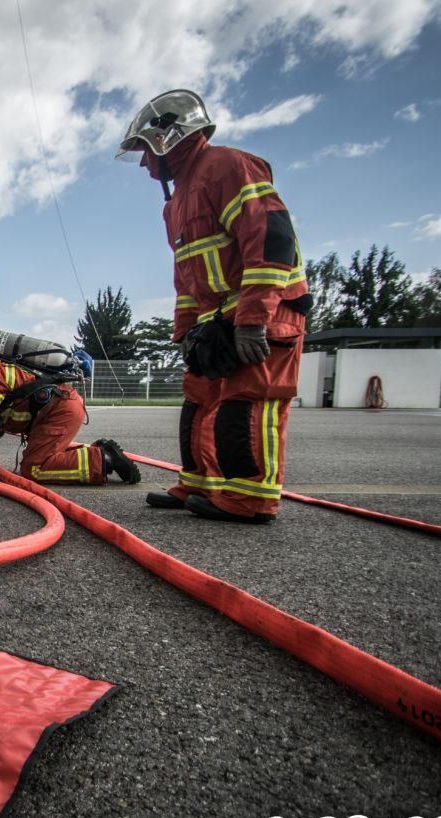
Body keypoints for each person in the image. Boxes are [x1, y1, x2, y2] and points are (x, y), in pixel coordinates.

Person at [117, 89, 310, 524]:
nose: (144, 164)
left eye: (145, 151)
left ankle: (251, 498)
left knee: (249, 401)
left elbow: (271, 240)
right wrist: (186, 332)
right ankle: (200, 484)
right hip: (216, 318)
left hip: (264, 309)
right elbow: (187, 276)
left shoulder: (228, 166)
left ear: (167, 137)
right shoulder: (175, 204)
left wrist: (253, 319)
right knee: (199, 401)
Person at [0, 352, 140, 485]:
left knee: (35, 468)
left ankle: (103, 459)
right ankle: (99, 452)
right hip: (58, 408)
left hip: (58, 412)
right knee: (40, 461)